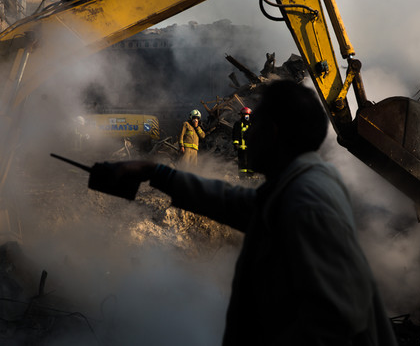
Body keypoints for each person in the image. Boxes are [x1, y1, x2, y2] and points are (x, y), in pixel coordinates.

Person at [88, 80, 398, 345]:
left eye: (255, 125)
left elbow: (336, 323)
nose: (246, 137)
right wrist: (157, 173)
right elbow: (236, 203)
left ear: (272, 132)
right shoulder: (293, 187)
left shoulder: (307, 205)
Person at [232, 106, 253, 178]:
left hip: (251, 148)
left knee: (251, 163)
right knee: (242, 164)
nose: (246, 117)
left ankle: (251, 177)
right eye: (244, 115)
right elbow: (235, 134)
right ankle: (243, 178)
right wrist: (236, 144)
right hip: (241, 148)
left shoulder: (252, 124)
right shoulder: (238, 124)